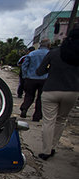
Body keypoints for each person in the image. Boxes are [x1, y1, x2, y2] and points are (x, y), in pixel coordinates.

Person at [35, 29, 79, 160]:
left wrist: (51, 69)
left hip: (51, 90)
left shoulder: (54, 53)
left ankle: (46, 151)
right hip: (72, 92)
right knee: (61, 120)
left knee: (48, 121)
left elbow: (40, 71)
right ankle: (53, 146)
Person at [20, 39, 50, 121]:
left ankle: (24, 108)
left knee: (29, 95)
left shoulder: (32, 54)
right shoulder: (49, 54)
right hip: (44, 79)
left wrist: (25, 76)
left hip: (30, 79)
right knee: (40, 98)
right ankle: (37, 116)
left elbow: (24, 66)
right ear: (48, 45)